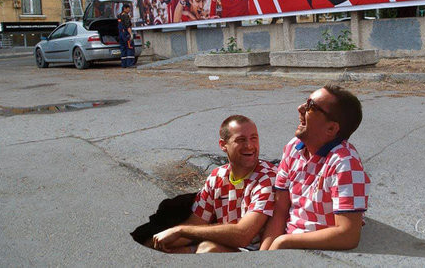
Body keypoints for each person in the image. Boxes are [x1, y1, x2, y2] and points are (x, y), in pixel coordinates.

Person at [260, 85, 370, 251]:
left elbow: (348, 235)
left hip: (317, 251)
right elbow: (280, 210)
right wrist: (263, 256)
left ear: (331, 128)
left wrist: (285, 242)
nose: (300, 108)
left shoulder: (345, 163)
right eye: (306, 102)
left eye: (311, 107)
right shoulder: (293, 148)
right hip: (286, 244)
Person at [152, 115, 277, 253]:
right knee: (168, 249)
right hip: (230, 247)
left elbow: (243, 235)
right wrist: (158, 243)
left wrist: (180, 231)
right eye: (241, 140)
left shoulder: (268, 177)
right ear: (223, 145)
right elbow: (196, 224)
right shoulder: (217, 177)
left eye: (254, 138)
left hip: (257, 254)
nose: (249, 145)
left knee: (207, 248)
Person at [117, 4, 135, 68]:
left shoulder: (119, 15)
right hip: (126, 34)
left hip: (121, 34)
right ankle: (130, 64)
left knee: (123, 49)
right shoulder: (125, 16)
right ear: (125, 8)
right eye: (128, 8)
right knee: (130, 48)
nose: (129, 10)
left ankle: (124, 64)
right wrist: (131, 34)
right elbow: (128, 26)